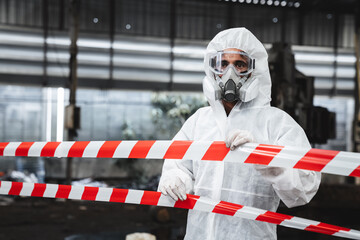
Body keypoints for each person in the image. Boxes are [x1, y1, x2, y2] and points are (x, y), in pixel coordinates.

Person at [158, 27, 321, 240]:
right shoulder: (200, 120)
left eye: (240, 64)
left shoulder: (276, 123)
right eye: (223, 63)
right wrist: (176, 178)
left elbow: (304, 188)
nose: (230, 72)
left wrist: (268, 161)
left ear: (254, 71)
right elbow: (178, 165)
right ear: (212, 69)